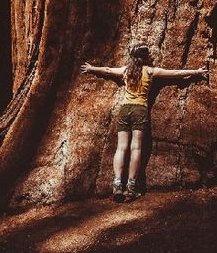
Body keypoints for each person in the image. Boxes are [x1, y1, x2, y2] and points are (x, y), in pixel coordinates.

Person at [80, 45, 209, 202]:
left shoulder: (126, 70)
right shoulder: (150, 71)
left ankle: (117, 184)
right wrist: (197, 72)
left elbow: (107, 70)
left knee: (121, 148)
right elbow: (175, 73)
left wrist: (91, 68)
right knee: (136, 148)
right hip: (140, 110)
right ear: (146, 57)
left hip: (124, 109)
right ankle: (131, 187)